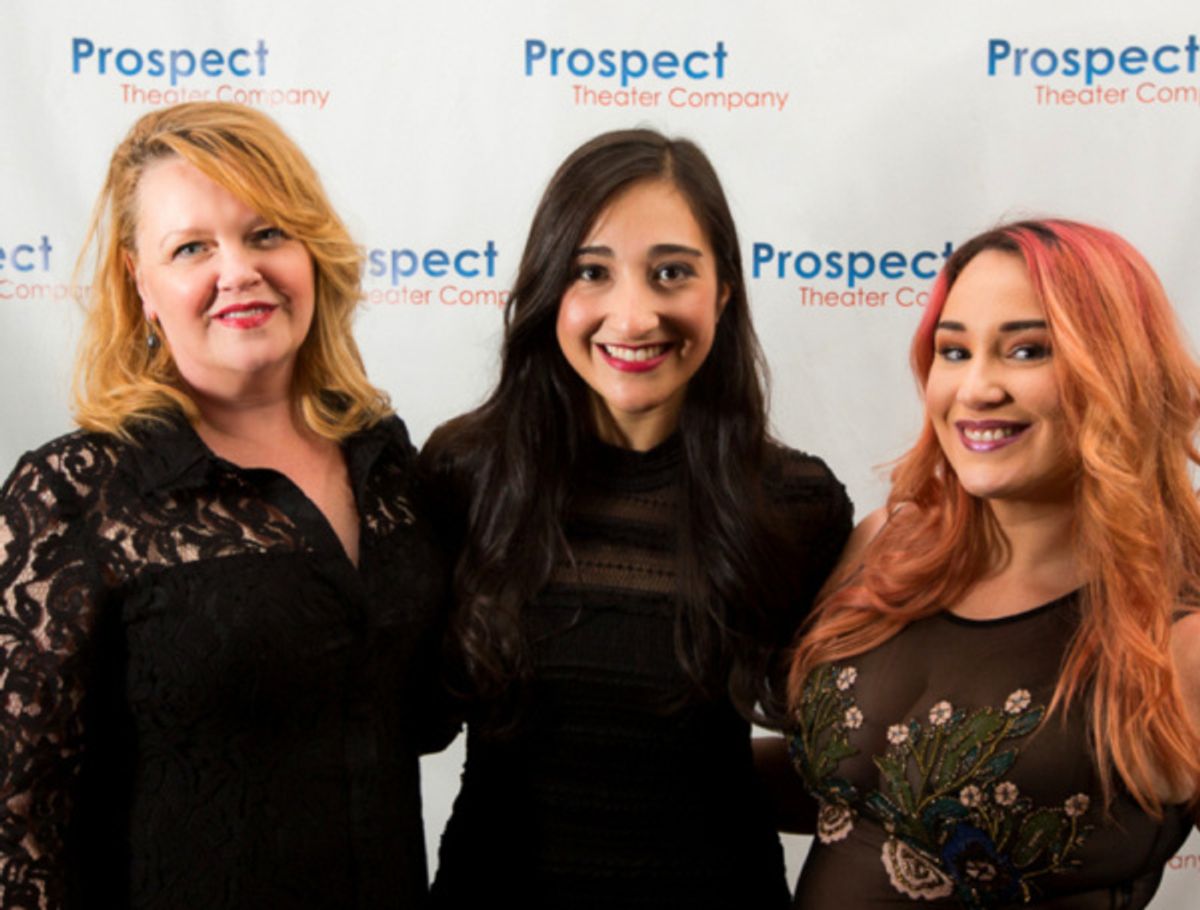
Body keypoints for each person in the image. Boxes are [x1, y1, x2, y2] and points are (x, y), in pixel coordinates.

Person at [0, 102, 448, 908]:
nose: (238, 269)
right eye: (192, 248)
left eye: (267, 233)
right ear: (141, 284)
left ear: (313, 251)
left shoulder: (386, 464)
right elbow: (16, 820)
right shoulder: (76, 493)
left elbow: (422, 719)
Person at [420, 128, 852, 908]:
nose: (634, 314)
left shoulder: (797, 504)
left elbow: (845, 751)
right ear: (551, 289)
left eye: (671, 273)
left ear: (722, 290)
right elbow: (407, 716)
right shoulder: (466, 474)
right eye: (592, 272)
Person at [787, 219, 1200, 908]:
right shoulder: (890, 542)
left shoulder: (1179, 637)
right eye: (954, 351)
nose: (976, 388)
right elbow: (859, 786)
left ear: (1120, 366)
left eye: (1028, 350)